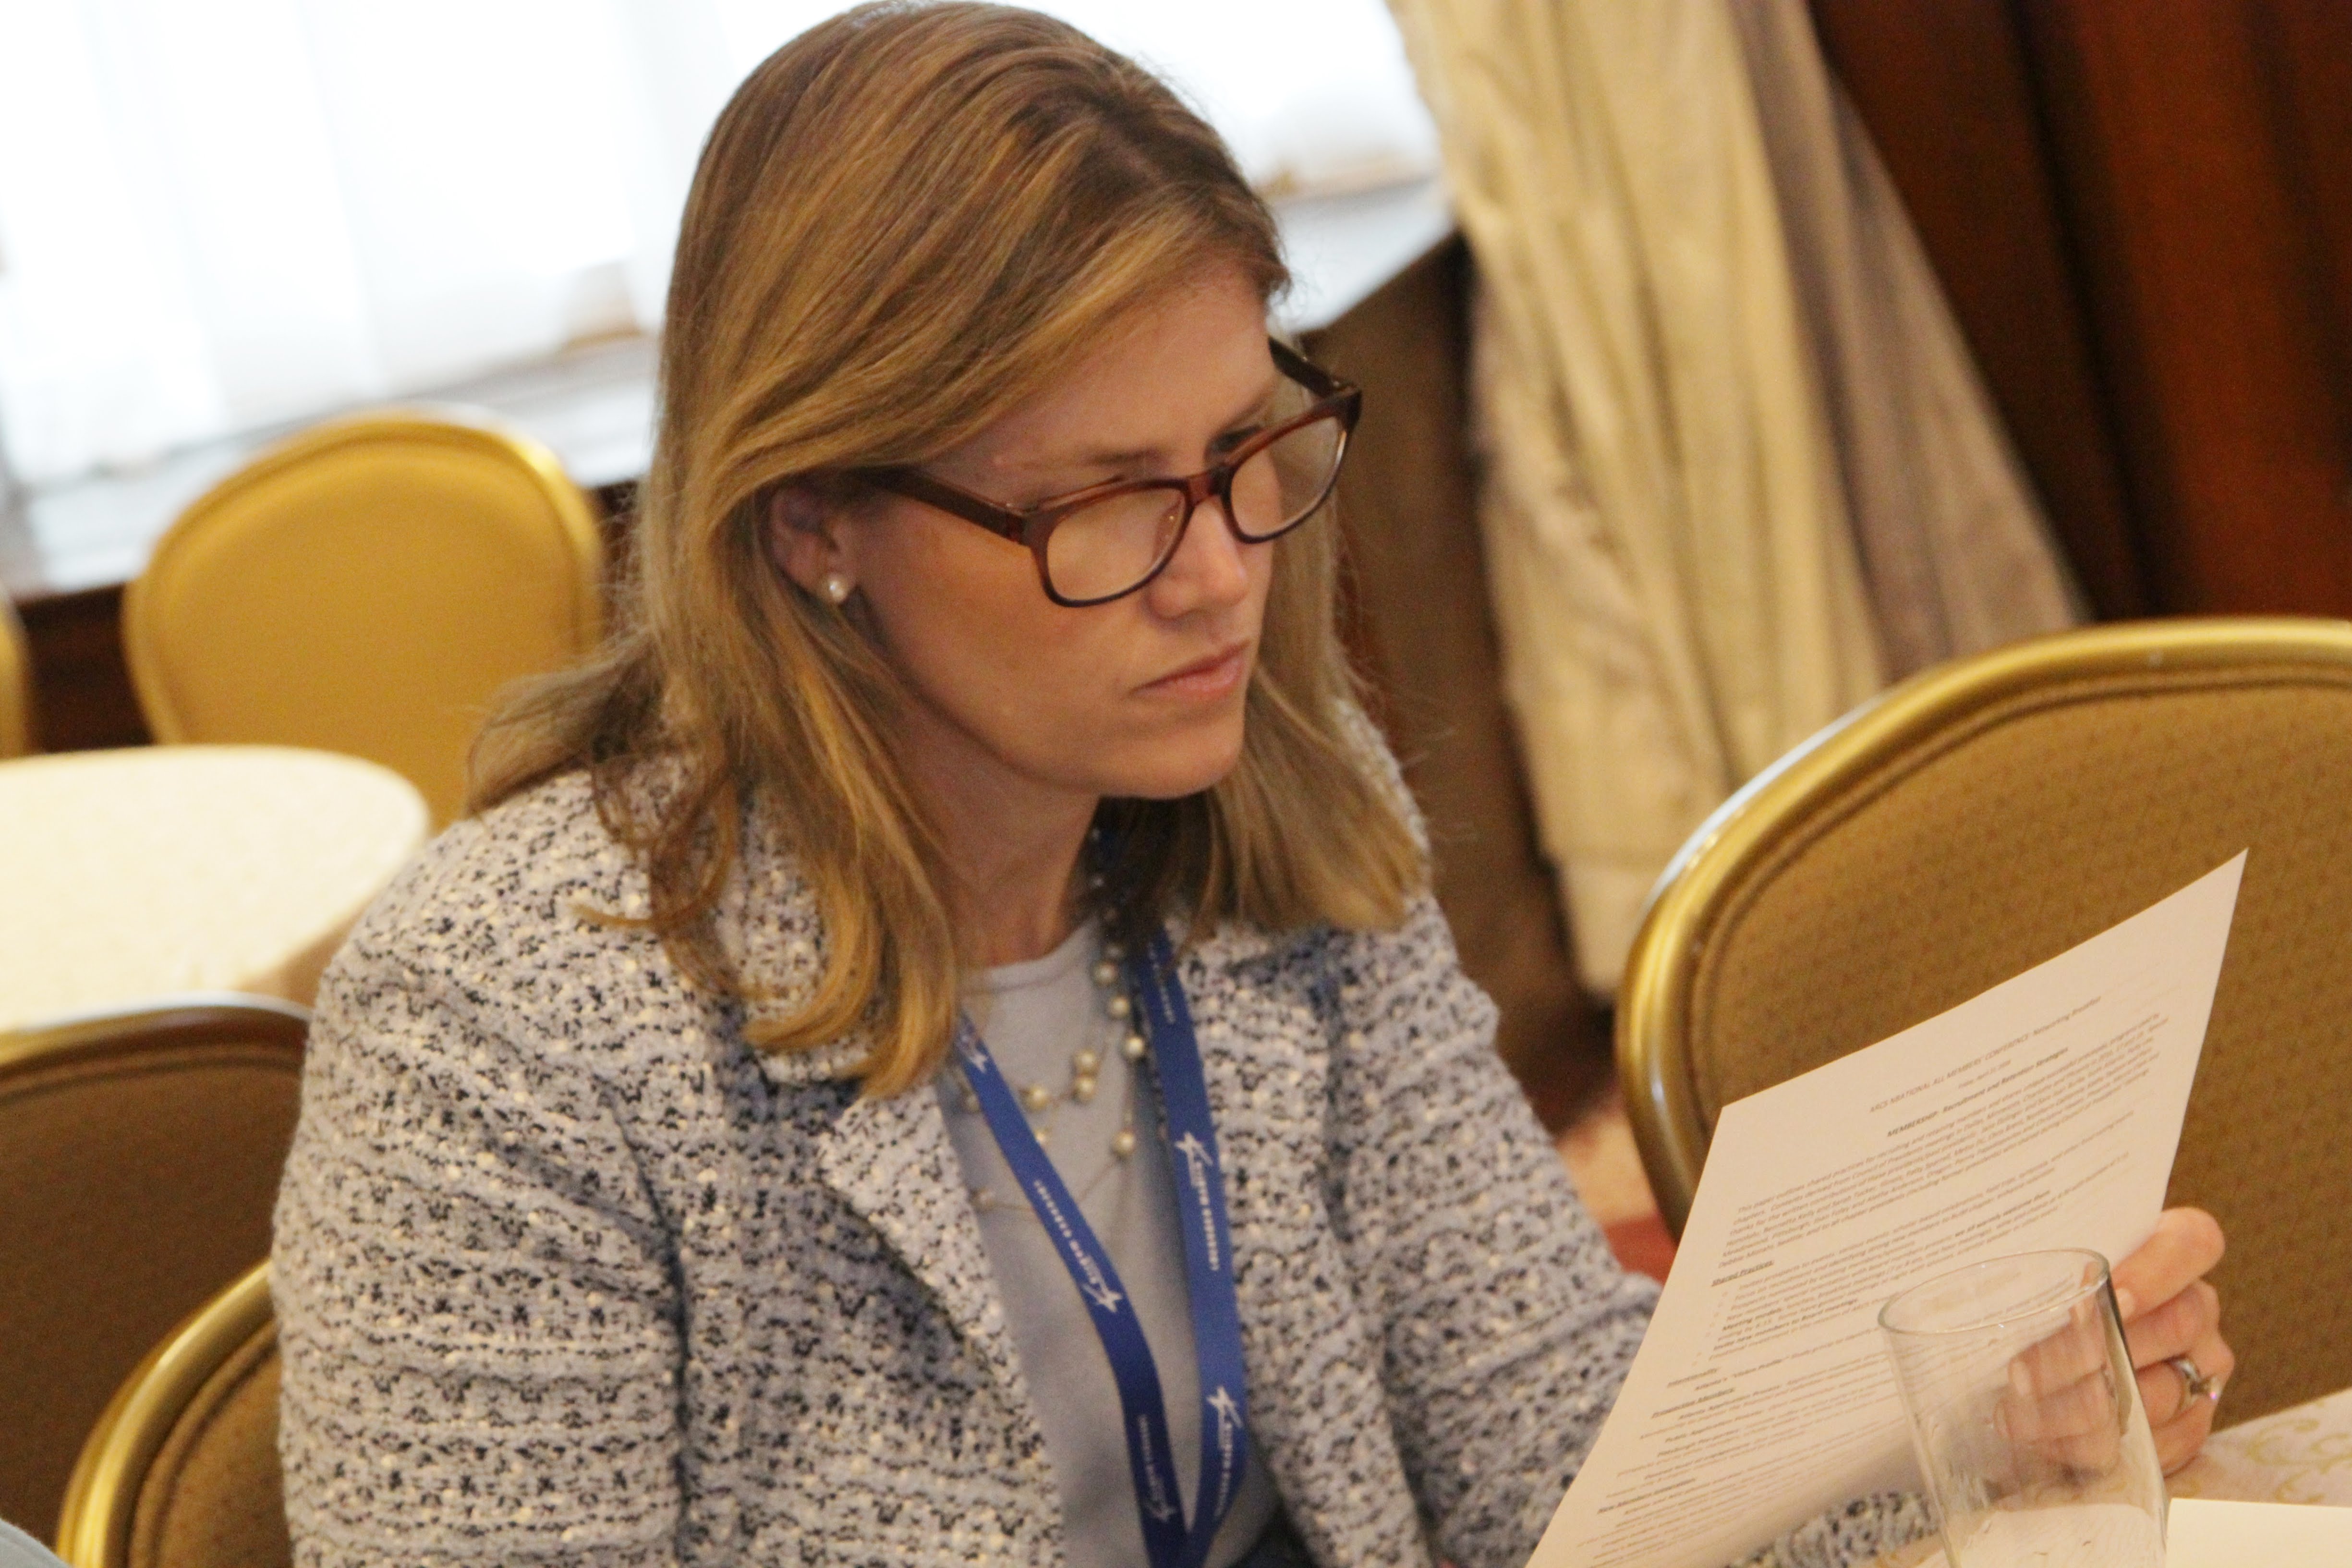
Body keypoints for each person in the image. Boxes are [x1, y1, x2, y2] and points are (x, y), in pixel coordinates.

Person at [269, 6, 2233, 1566]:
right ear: (812, 527)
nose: (1223, 575)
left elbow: (1551, 1449)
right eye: (1107, 504)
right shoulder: (506, 1026)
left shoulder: (1272, 835)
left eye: (1239, 454)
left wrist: (1976, 1428)